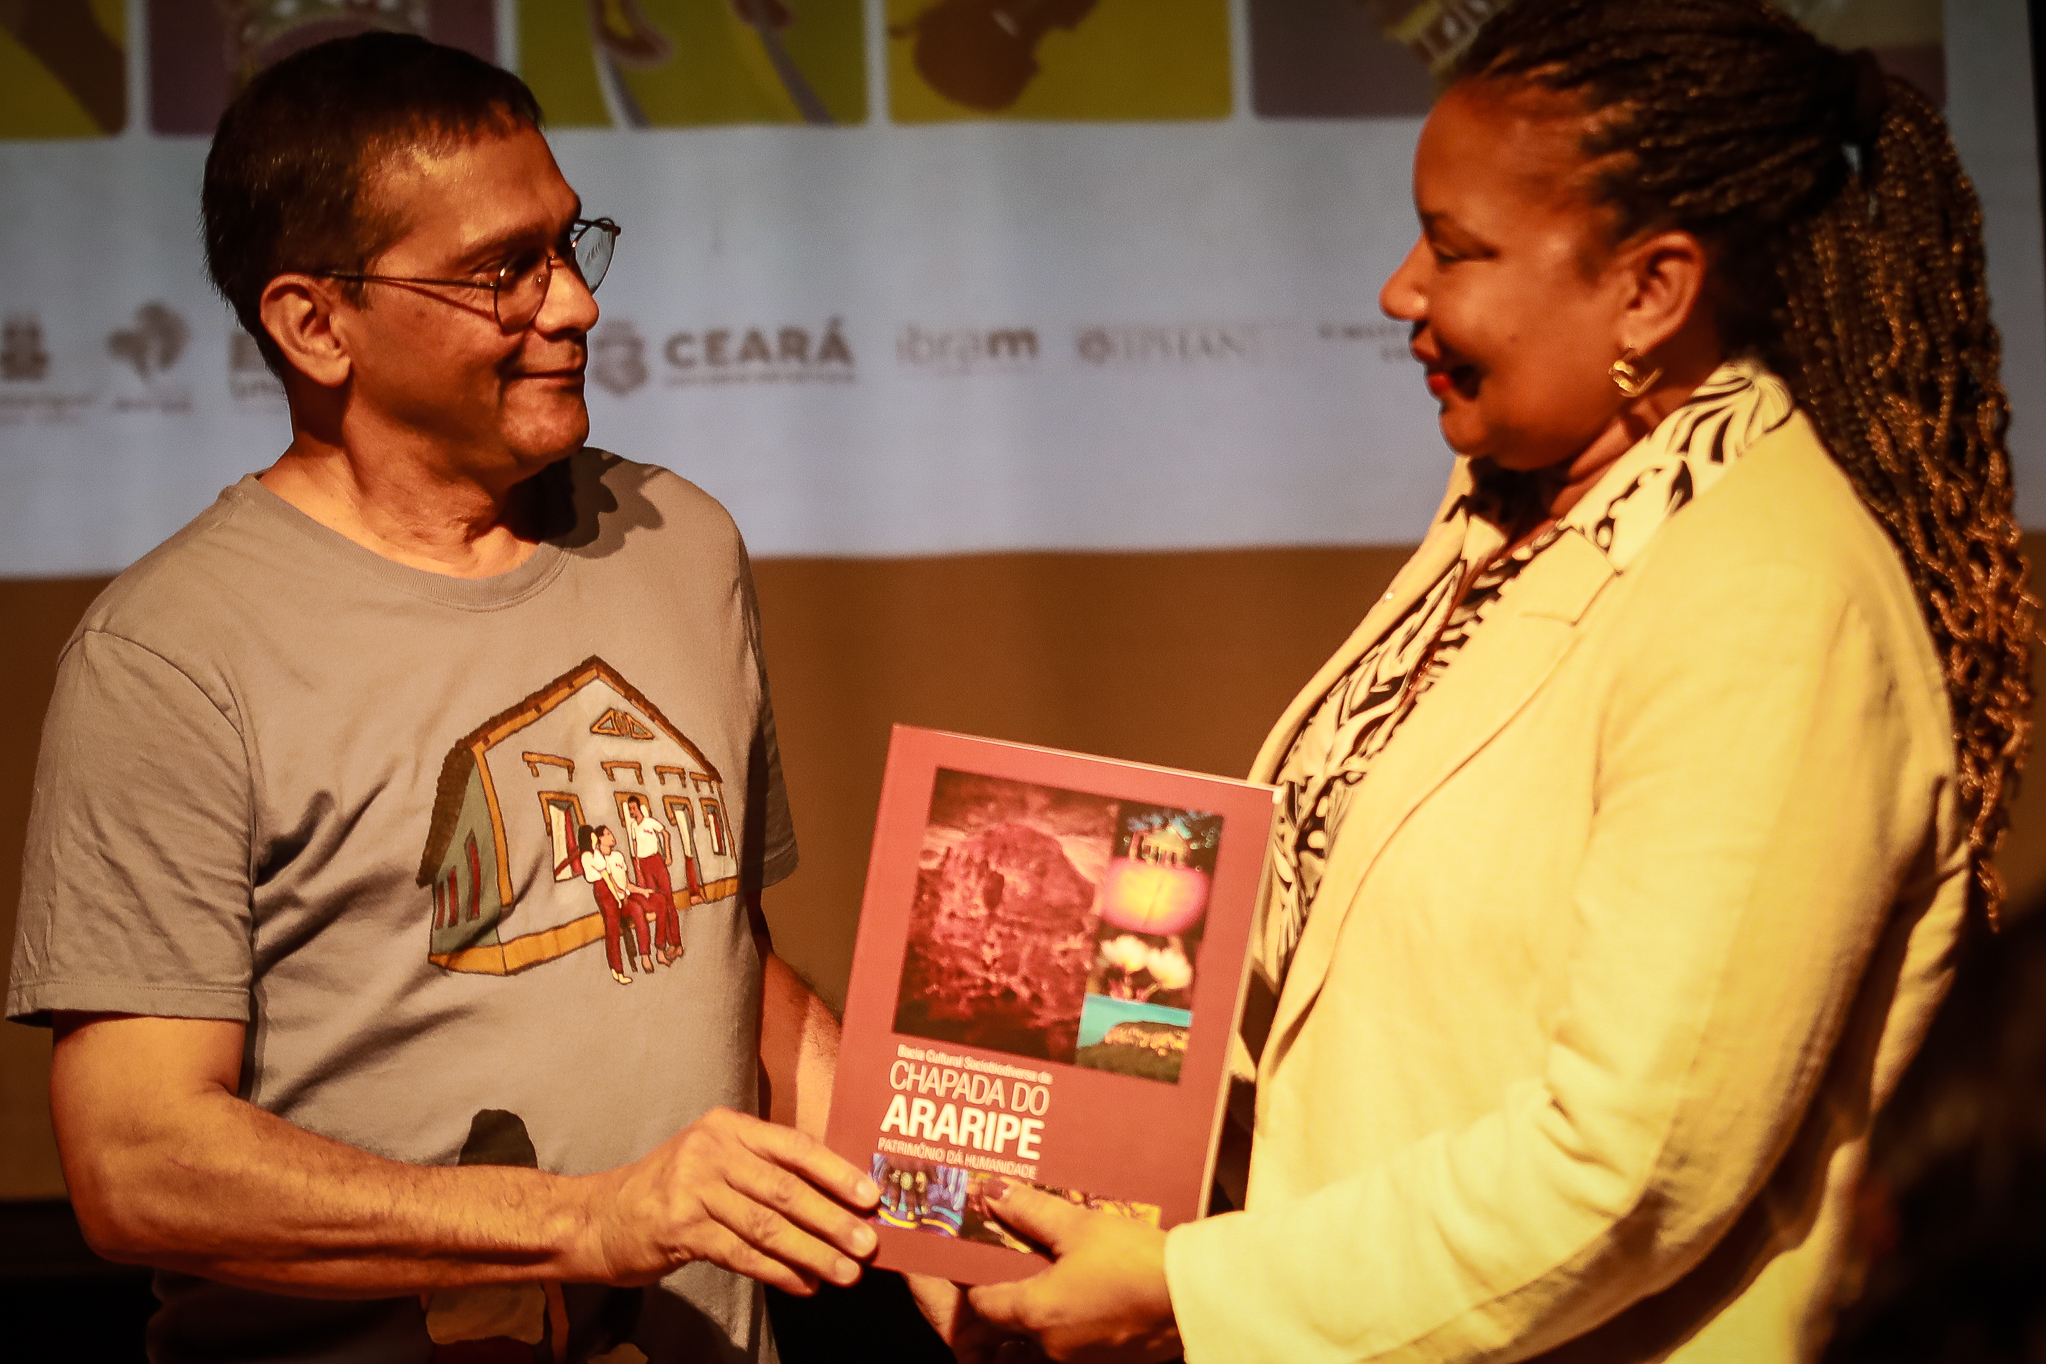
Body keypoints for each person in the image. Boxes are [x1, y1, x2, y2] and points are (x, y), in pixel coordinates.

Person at [947, 2, 2036, 1361]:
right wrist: (1041, 1121)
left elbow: (1629, 1168)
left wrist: (1192, 1291)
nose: (1400, 290)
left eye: (1454, 250)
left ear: (1651, 290)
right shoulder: (1516, 514)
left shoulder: (1770, 595)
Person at [6, 33, 878, 1363]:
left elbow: (720, 963)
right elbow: (139, 1163)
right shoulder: (172, 655)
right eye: (501, 271)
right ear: (316, 325)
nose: (573, 306)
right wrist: (582, 1221)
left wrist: (945, 1214)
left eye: (567, 245)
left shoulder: (675, 540)